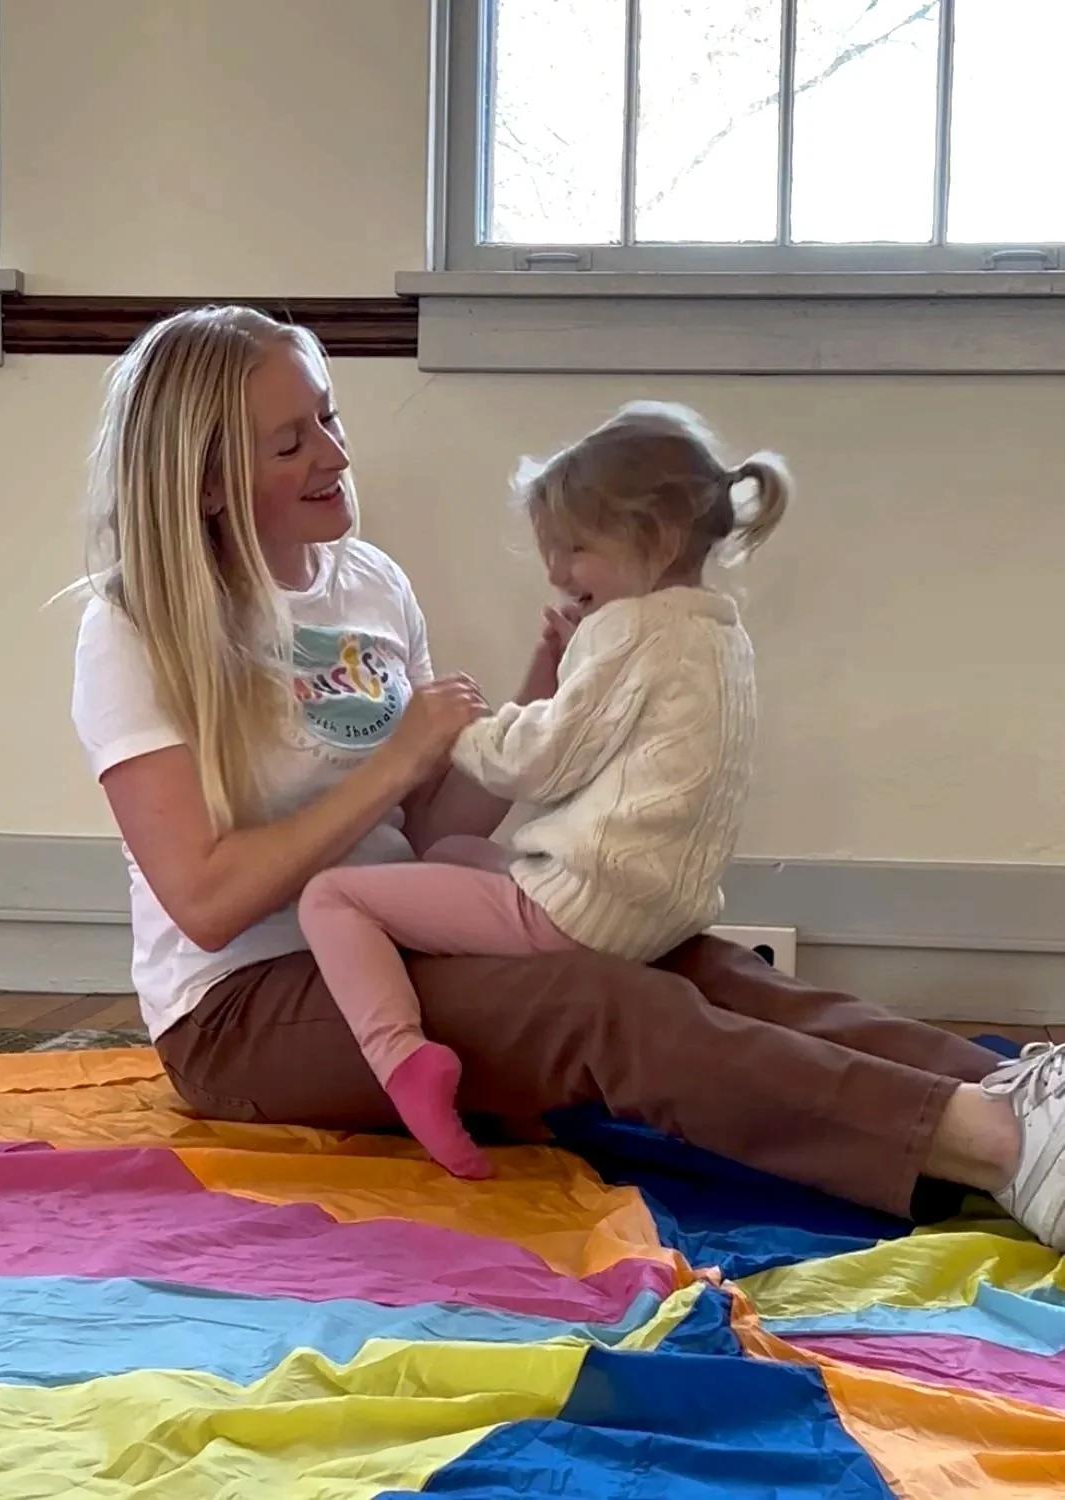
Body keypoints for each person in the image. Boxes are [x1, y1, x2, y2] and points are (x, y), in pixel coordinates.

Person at [70, 304, 1065, 1252]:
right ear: (204, 483)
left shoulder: (370, 582)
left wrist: (534, 688)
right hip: (245, 1007)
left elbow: (429, 825)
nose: (334, 453)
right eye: (291, 443)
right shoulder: (134, 626)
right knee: (595, 1005)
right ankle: (1001, 1149)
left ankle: (1021, 1090)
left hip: (394, 924)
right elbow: (204, 900)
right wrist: (398, 762)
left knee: (693, 964)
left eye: (329, 415)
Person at [297, 403, 790, 1179]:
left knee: (331, 897)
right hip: (657, 908)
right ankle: (515, 1080)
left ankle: (402, 1063)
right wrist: (561, 676)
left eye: (575, 550)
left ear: (654, 541)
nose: (558, 574)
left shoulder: (630, 629)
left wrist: (449, 729)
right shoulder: (715, 631)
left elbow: (541, 764)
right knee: (458, 850)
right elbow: (610, 745)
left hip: (579, 909)